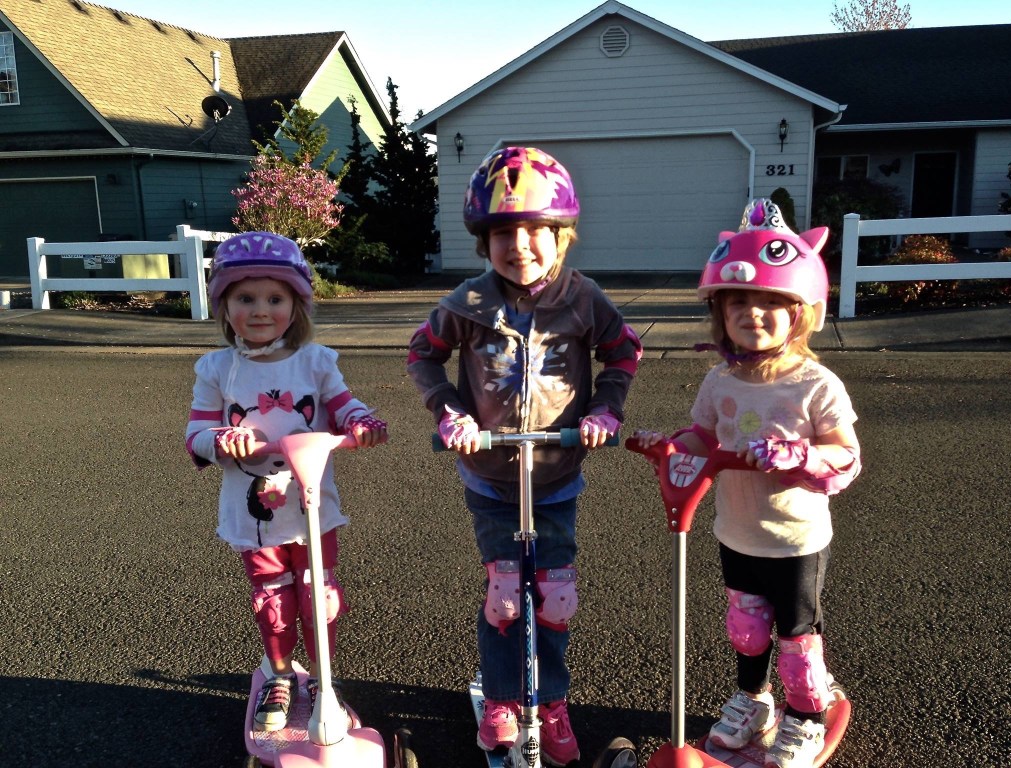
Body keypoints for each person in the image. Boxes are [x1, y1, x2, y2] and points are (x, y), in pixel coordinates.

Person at [407, 146, 642, 766]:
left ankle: (553, 702)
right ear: (484, 242)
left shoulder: (584, 299)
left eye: (536, 230)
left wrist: (605, 410)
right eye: (503, 233)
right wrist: (449, 411)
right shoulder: (468, 303)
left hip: (557, 477)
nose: (519, 246)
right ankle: (503, 700)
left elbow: (623, 352)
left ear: (562, 236)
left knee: (556, 600)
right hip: (490, 477)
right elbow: (422, 354)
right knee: (507, 597)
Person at [632, 199, 861, 768]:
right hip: (736, 530)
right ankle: (754, 701)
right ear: (720, 311)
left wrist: (799, 454)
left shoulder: (816, 385)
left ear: (800, 312)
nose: (752, 312)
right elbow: (702, 436)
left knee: (796, 638)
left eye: (770, 302)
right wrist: (668, 446)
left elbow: (847, 457)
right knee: (746, 626)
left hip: (794, 538)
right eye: (737, 301)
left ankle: (806, 718)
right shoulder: (719, 380)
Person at [185, 232, 387, 732]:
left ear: (296, 304)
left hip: (313, 503)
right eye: (245, 298)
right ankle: (278, 673)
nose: (260, 310)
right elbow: (195, 434)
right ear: (224, 306)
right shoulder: (217, 369)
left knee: (320, 594)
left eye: (275, 298)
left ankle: (321, 678)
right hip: (253, 510)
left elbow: (344, 405)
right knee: (274, 600)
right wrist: (222, 439)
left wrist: (361, 422)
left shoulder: (316, 361)